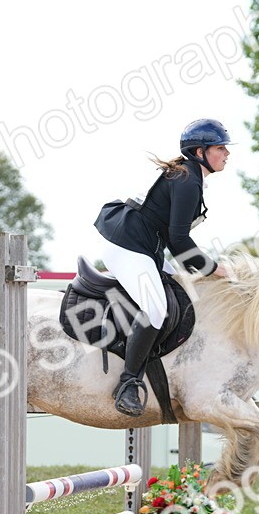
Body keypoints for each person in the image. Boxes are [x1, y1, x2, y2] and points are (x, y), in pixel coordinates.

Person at [93, 118, 232, 417]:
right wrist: (212, 267)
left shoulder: (189, 176)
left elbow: (173, 238)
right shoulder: (187, 181)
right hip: (128, 246)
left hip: (144, 247)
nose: (226, 154)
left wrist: (200, 268)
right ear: (200, 152)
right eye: (220, 148)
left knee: (180, 292)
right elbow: (179, 240)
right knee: (156, 308)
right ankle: (128, 383)